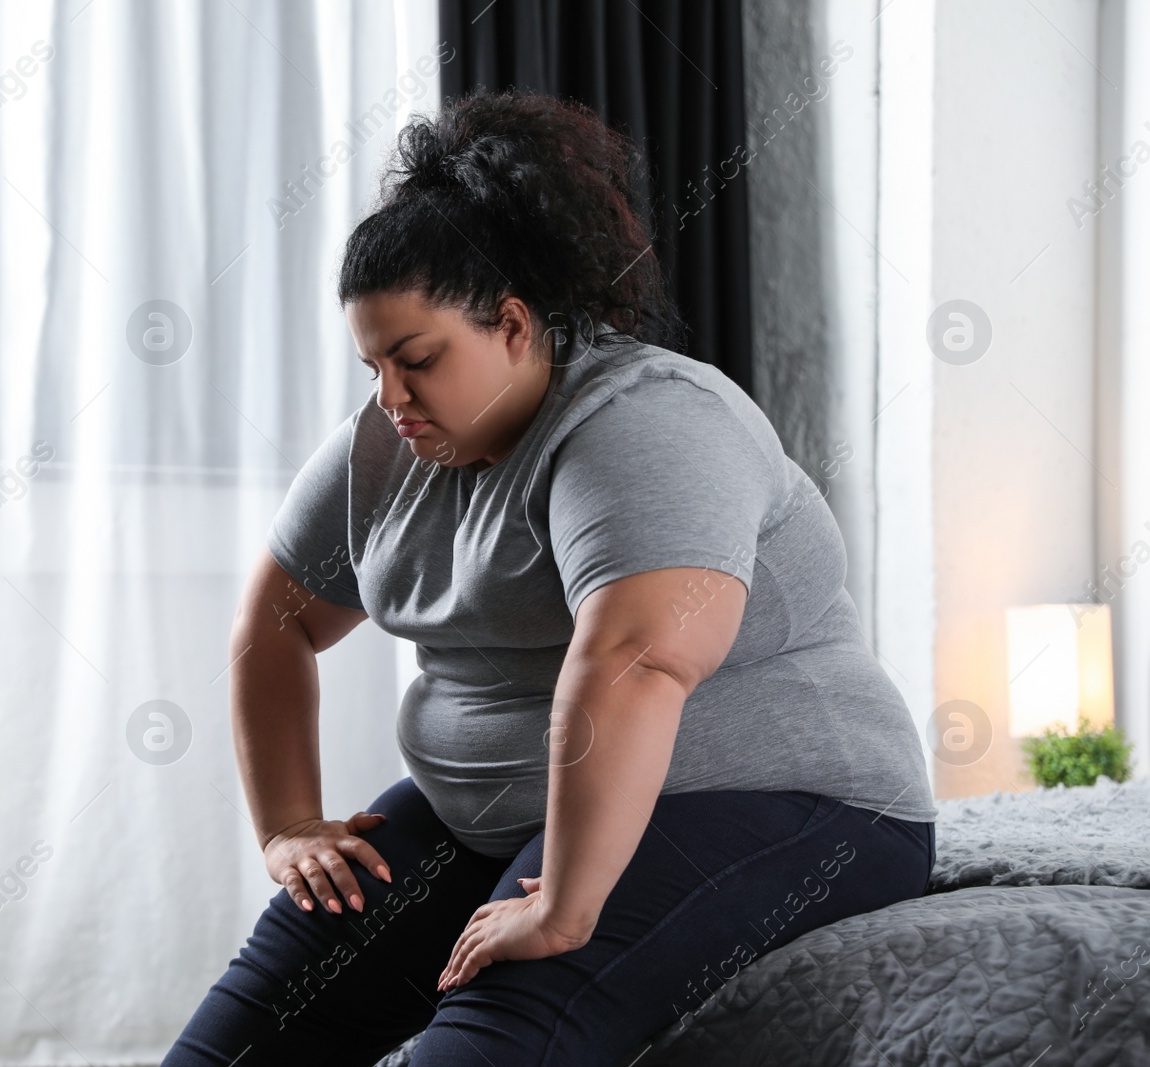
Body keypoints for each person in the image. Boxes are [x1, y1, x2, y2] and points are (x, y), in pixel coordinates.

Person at [162, 89, 936, 1067]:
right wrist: (287, 828)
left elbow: (634, 663)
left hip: (783, 801)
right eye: (373, 366)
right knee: (233, 1047)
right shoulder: (386, 445)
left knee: (488, 1038)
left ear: (516, 326)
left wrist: (565, 906)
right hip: (492, 814)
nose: (390, 396)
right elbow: (272, 625)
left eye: (418, 359)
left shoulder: (648, 424)